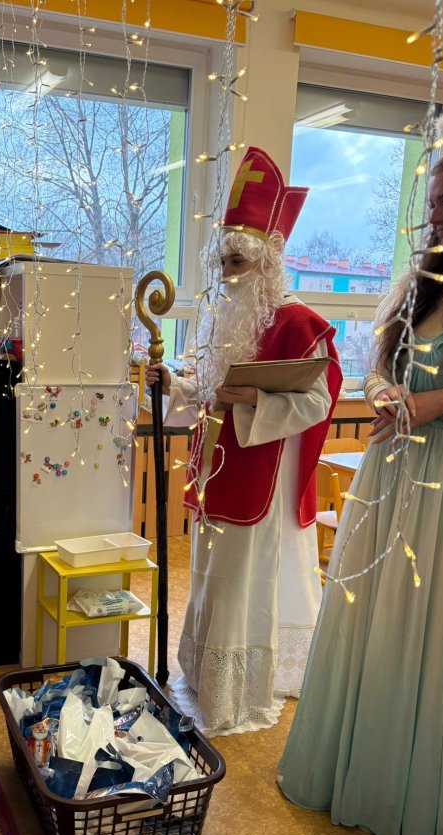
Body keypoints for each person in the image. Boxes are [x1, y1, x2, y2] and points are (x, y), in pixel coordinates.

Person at [277, 146, 443, 835]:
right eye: (433, 201)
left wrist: (438, 402)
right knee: (376, 621)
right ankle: (359, 763)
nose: (436, 215)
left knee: (427, 624)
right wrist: (384, 392)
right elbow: (378, 368)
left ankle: (412, 787)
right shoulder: (425, 282)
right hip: (393, 472)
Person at [146, 147, 342, 737]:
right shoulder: (226, 315)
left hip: (264, 476)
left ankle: (239, 692)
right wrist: (174, 384)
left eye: (240, 261)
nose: (229, 272)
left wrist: (255, 399)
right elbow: (212, 396)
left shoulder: (299, 323)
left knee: (243, 582)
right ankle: (205, 678)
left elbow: (318, 402)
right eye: (224, 261)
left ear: (267, 263)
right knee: (211, 573)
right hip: (218, 471)